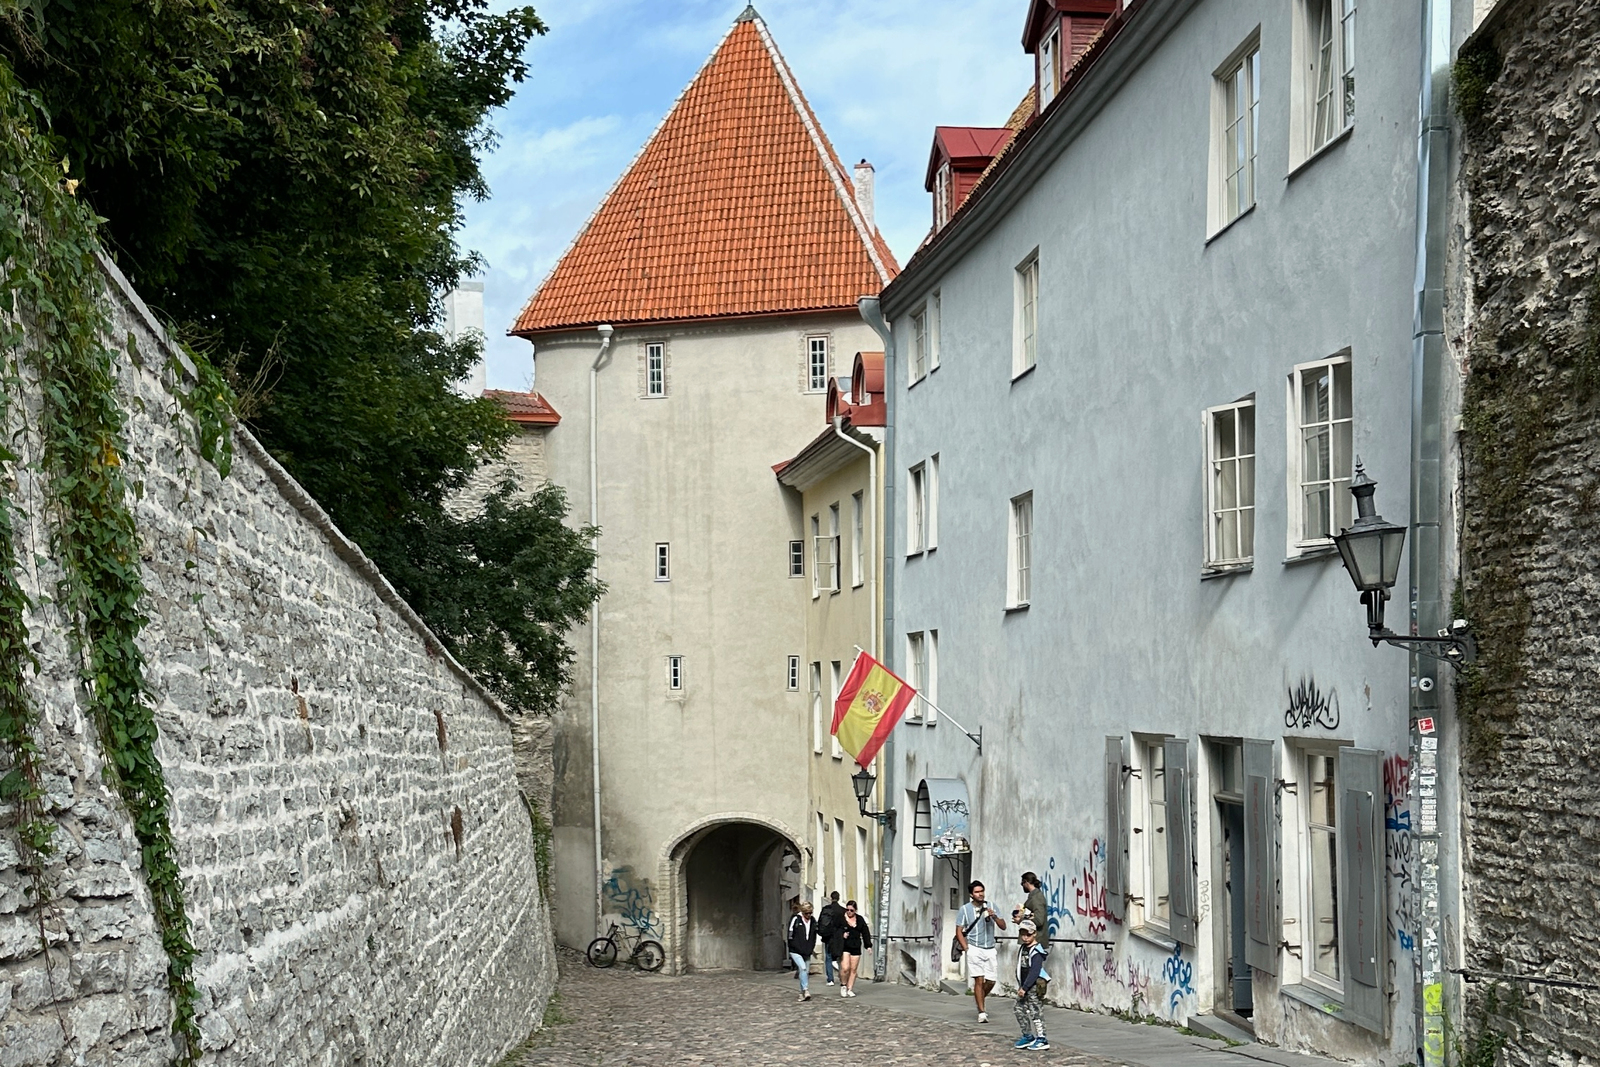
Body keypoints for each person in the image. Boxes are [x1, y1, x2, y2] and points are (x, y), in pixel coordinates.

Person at [955, 879, 1006, 1022]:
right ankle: (982, 1012)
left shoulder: (991, 906)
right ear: (971, 894)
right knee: (979, 979)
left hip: (990, 948)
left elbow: (1003, 926)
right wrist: (966, 947)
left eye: (981, 891)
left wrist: (994, 916)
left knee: (991, 980)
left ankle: (979, 998)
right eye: (977, 892)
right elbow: (959, 930)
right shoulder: (965, 909)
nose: (980, 894)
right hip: (974, 947)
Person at [1011, 920, 1051, 1051]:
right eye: (1022, 934)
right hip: (1024, 985)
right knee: (1019, 1009)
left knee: (1036, 1012)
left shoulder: (1037, 951)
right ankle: (1028, 1035)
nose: (1025, 937)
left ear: (1034, 934)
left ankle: (1042, 1038)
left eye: (1028, 934)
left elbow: (1034, 971)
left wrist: (1025, 987)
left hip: (1032, 986)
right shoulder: (1023, 948)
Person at [833, 899, 873, 997]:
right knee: (845, 968)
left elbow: (865, 932)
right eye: (847, 910)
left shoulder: (859, 919)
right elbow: (834, 930)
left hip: (856, 945)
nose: (849, 912)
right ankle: (843, 985)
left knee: (853, 969)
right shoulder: (841, 918)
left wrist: (868, 946)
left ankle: (850, 988)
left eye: (852, 910)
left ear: (855, 910)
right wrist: (842, 934)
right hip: (845, 945)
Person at [787, 901, 818, 1002]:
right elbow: (790, 935)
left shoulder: (813, 921)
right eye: (806, 913)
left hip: (807, 951)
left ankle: (801, 994)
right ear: (803, 912)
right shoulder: (796, 919)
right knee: (803, 968)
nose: (808, 915)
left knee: (805, 972)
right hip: (796, 950)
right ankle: (806, 990)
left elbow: (814, 934)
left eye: (810, 913)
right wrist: (793, 946)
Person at [817, 891, 846, 986]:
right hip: (839, 936)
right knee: (840, 956)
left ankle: (830, 979)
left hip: (828, 936)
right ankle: (842, 976)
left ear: (831, 898)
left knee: (828, 957)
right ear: (839, 898)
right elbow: (844, 924)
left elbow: (820, 922)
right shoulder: (842, 910)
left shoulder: (826, 909)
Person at [1020, 871, 1050, 952]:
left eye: (1022, 883)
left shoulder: (1036, 898)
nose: (1022, 886)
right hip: (1032, 941)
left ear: (1026, 882)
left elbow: (1039, 920)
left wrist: (1021, 919)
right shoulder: (1034, 896)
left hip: (1035, 941)